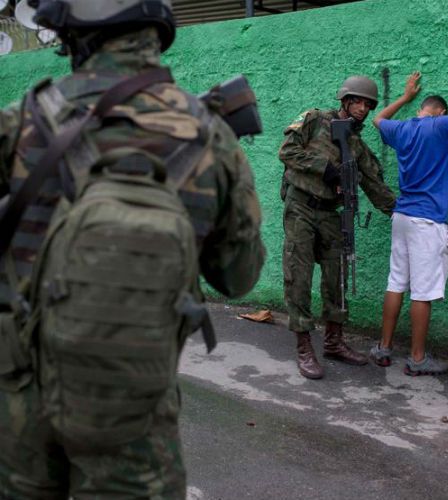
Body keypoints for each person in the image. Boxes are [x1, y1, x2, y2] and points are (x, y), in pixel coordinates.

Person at [0, 1, 265, 497]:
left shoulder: (22, 122)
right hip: (132, 406)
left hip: (18, 407)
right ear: (156, 29)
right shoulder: (211, 137)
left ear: (71, 31)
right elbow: (239, 277)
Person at [368, 71, 448, 376]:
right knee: (422, 291)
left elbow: (377, 120)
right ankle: (416, 359)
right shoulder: (442, 125)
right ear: (441, 111)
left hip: (402, 215)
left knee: (395, 282)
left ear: (420, 109)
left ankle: (383, 349)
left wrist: (405, 96)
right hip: (427, 220)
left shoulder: (402, 129)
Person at [279, 75, 396, 380]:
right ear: (345, 100)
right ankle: (304, 347)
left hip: (331, 213)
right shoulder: (315, 120)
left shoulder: (356, 146)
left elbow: (375, 185)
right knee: (299, 275)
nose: (363, 108)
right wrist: (326, 170)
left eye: (368, 105)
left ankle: (333, 341)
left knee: (337, 277)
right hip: (301, 207)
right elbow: (287, 152)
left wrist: (403, 213)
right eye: (357, 101)